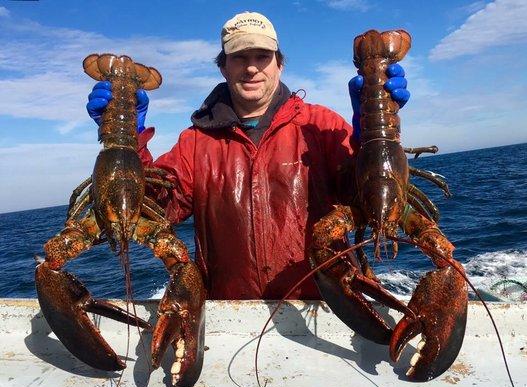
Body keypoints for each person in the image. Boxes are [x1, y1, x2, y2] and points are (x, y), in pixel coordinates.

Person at [87, 11, 410, 300]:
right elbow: (154, 207)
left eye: (262, 56)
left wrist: (365, 139)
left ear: (279, 65)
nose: (252, 67)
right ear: (223, 67)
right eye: (240, 57)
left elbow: (361, 196)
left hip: (328, 308)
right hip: (231, 317)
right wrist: (132, 143)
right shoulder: (195, 143)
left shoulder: (320, 124)